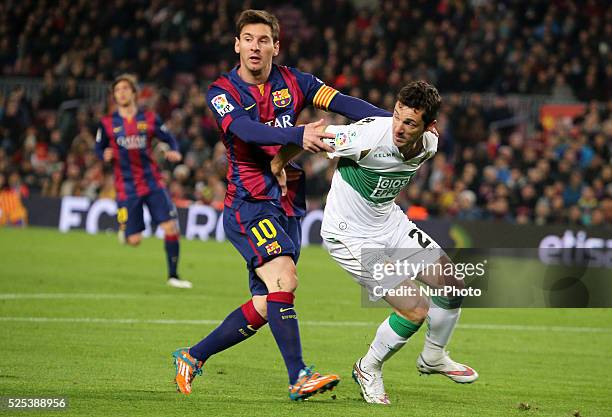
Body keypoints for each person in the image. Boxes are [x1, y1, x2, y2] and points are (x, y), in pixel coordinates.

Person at [171, 9, 389, 400]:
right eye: (248, 39)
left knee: (266, 302)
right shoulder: (221, 91)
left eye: (263, 39)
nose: (255, 46)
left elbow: (342, 102)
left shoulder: (296, 82)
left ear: (276, 45)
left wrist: (397, 123)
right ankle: (299, 376)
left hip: (288, 203)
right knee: (285, 280)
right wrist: (298, 132)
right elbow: (244, 130)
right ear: (237, 45)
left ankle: (192, 356)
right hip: (249, 203)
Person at [272, 81, 478, 405]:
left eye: (409, 122)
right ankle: (368, 367)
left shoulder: (430, 145)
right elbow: (310, 135)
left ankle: (434, 356)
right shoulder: (367, 136)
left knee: (452, 284)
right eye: (397, 115)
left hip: (388, 223)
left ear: (429, 127)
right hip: (350, 235)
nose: (399, 126)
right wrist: (276, 166)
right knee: (416, 309)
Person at [94, 74, 192, 289]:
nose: (121, 93)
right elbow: (98, 148)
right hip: (126, 186)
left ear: (134, 93)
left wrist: (174, 151)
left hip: (152, 181)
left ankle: (173, 276)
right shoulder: (107, 123)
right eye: (117, 90)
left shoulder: (149, 118)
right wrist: (105, 155)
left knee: (171, 228)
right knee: (134, 241)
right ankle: (124, 225)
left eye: (125, 89)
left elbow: (169, 139)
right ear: (113, 96)